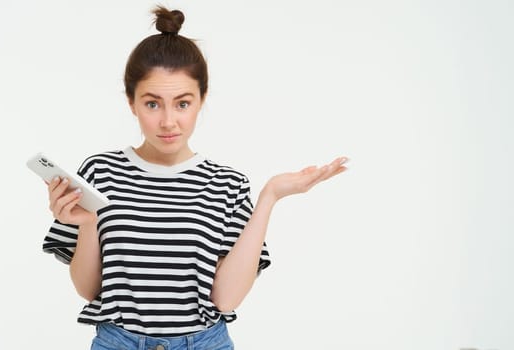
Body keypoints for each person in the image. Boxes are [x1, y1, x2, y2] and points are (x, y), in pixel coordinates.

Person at [41, 6, 348, 350]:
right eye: (153, 104)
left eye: (183, 103)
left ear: (201, 99)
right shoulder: (100, 173)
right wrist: (87, 222)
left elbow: (226, 299)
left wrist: (269, 196)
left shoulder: (227, 184)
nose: (169, 121)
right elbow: (89, 290)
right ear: (131, 102)